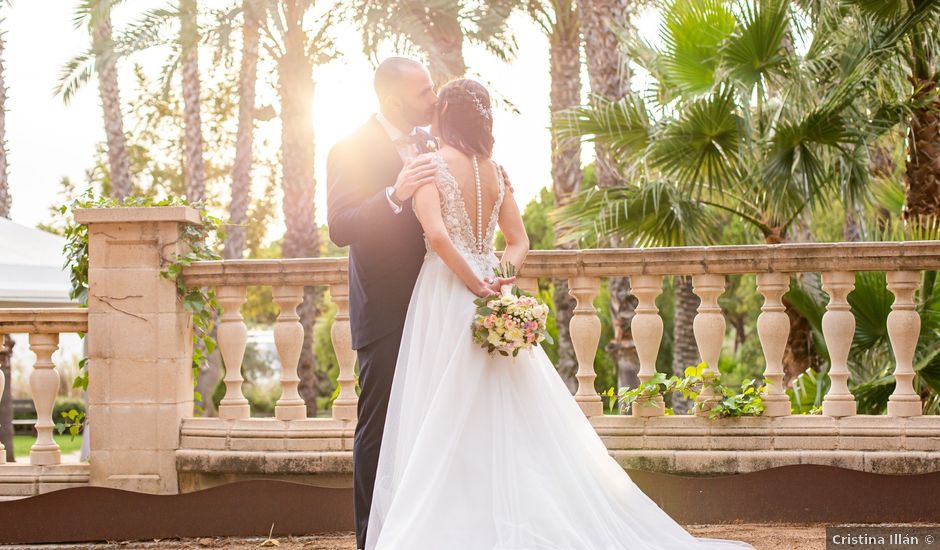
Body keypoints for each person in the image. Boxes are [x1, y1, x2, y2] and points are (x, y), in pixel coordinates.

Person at [361, 77, 757, 550]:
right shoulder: (495, 170)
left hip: (447, 295)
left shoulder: (428, 166)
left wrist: (474, 283)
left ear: (445, 115)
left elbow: (439, 237)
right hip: (491, 289)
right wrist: (500, 279)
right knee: (499, 407)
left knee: (440, 407)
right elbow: (520, 240)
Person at [326, 57, 512, 550]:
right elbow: (340, 226)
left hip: (444, 304)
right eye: (425, 92)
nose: (435, 99)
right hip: (388, 310)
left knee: (449, 422)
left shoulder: (438, 143)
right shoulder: (349, 148)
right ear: (393, 101)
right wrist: (394, 192)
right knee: (382, 426)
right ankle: (374, 539)